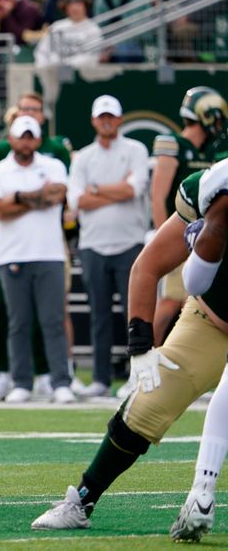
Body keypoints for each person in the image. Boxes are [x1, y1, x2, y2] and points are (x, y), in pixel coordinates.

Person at [30, 158, 228, 531]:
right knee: (146, 406)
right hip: (210, 322)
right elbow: (147, 266)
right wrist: (140, 347)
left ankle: (202, 492)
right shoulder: (208, 189)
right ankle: (84, 501)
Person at [0, 91, 73, 399]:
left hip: (49, 253)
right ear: (12, 139)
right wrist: (31, 198)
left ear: (38, 140)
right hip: (12, 254)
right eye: (21, 137)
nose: (26, 142)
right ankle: (22, 382)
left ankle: (60, 382)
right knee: (18, 322)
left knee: (52, 320)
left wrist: (14, 198)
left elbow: (57, 194)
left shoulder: (53, 164)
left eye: (31, 137)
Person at [65, 95, 149, 396]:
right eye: (101, 117)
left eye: (111, 116)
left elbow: (134, 189)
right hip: (93, 245)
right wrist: (116, 190)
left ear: (119, 119)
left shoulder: (136, 150)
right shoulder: (83, 158)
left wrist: (96, 190)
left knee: (134, 314)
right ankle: (100, 380)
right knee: (98, 315)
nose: (106, 121)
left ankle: (135, 377)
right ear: (93, 120)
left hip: (131, 243)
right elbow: (76, 201)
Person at [169, 159, 228, 542]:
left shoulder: (216, 185)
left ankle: (202, 492)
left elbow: (195, 281)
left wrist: (200, 240)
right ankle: (201, 493)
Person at [150, 86, 227, 346]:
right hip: (179, 232)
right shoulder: (173, 144)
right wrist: (166, 237)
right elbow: (158, 196)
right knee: (171, 301)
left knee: (192, 302)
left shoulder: (211, 152)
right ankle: (147, 354)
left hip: (205, 237)